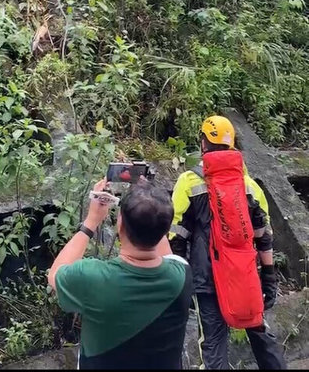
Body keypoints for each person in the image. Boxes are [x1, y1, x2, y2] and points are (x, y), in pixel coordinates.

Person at [169, 115, 286, 370]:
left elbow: (176, 236)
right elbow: (263, 235)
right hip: (244, 273)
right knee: (260, 331)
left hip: (205, 277)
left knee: (212, 344)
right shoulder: (249, 185)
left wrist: (181, 281)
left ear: (203, 143)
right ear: (231, 144)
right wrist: (268, 276)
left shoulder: (189, 182)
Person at [48, 178, 192, 370]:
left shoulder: (93, 278)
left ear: (120, 224)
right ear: (165, 229)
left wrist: (91, 222)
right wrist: (152, 201)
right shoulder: (181, 275)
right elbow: (165, 250)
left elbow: (55, 274)